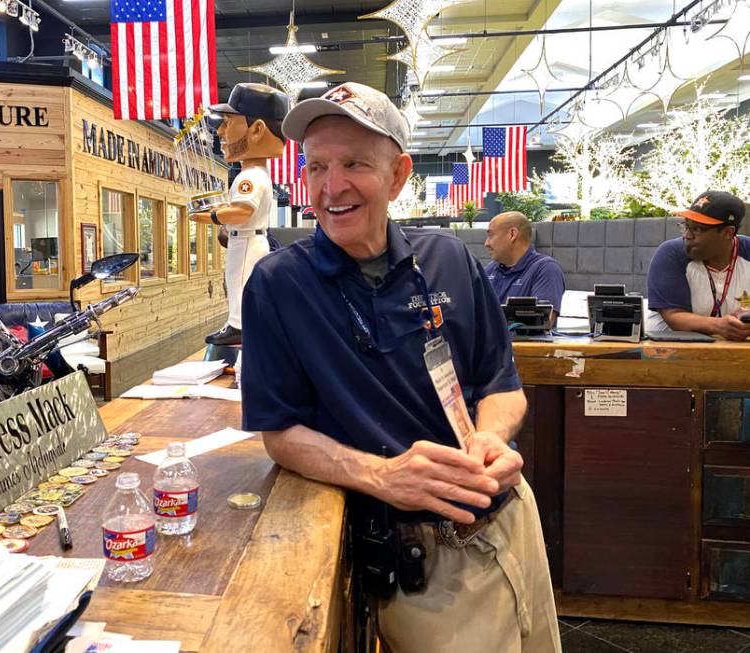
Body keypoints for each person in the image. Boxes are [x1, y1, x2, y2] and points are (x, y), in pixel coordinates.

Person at [240, 82, 559, 652]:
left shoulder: (448, 258)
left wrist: (490, 435)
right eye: (316, 167)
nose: (331, 186)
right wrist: (383, 475)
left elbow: (501, 384)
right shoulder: (278, 285)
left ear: (398, 174)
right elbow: (279, 432)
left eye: (355, 163)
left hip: (511, 519)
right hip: (417, 560)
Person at [190, 83, 289, 347]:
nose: (220, 131)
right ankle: (237, 323)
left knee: (241, 282)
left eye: (228, 122)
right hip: (242, 238)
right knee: (234, 281)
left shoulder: (252, 176)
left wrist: (210, 216)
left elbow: (242, 211)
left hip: (248, 240)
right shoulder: (252, 174)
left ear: (256, 129)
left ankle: (239, 325)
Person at [647, 190, 750, 340]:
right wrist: (719, 325)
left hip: (733, 355)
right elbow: (674, 316)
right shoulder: (671, 254)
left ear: (728, 232)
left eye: (698, 229)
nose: (687, 235)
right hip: (671, 354)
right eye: (686, 226)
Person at [484, 211, 565, 326]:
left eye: (491, 235)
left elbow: (541, 324)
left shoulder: (546, 269)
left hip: (516, 344)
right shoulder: (490, 270)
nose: (486, 243)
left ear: (512, 234)